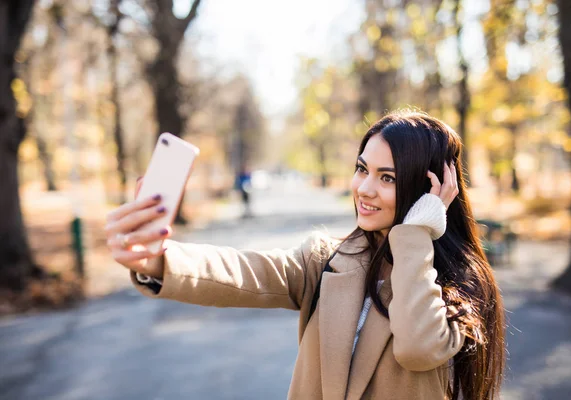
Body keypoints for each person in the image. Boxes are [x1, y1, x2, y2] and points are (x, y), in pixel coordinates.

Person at [105, 110, 505, 400]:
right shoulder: (328, 261)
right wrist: (158, 261)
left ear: (430, 189)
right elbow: (247, 273)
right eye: (362, 169)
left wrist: (415, 234)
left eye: (388, 178)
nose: (364, 189)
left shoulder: (459, 286)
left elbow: (417, 348)